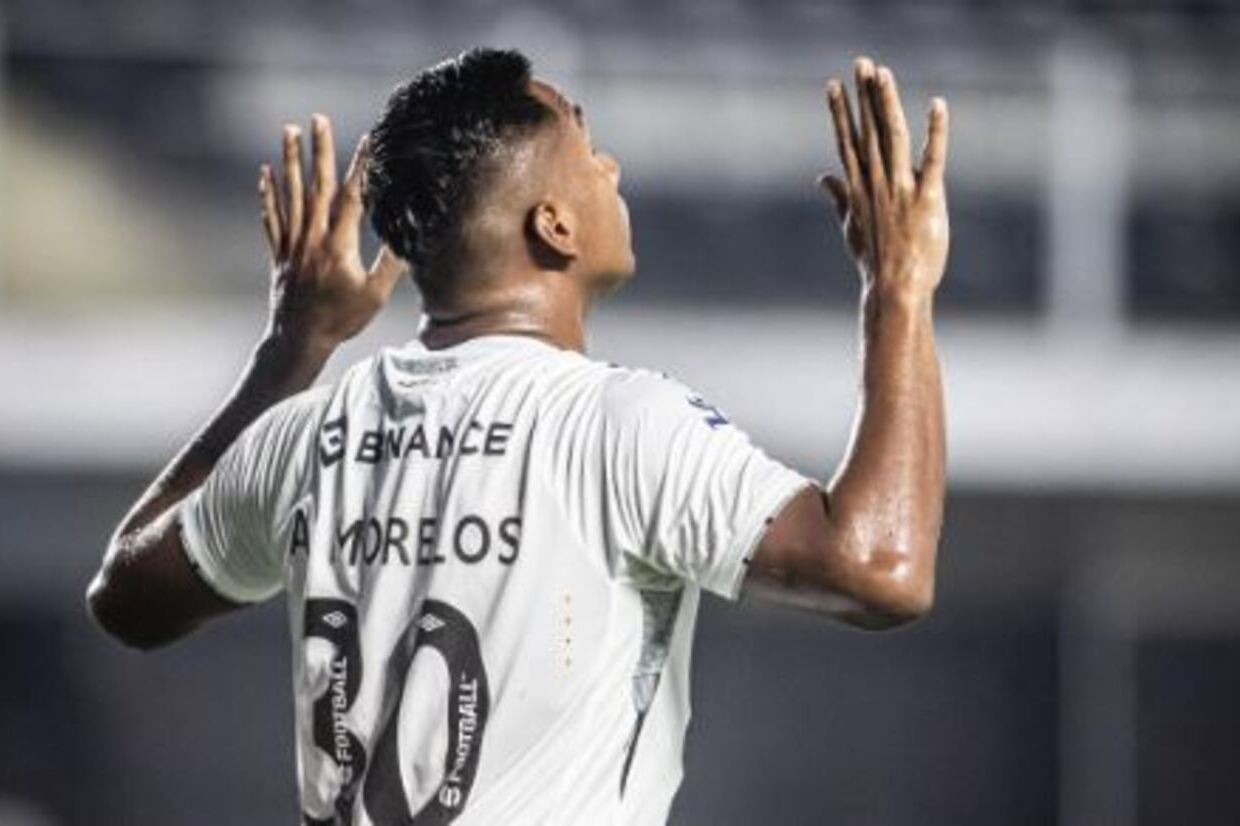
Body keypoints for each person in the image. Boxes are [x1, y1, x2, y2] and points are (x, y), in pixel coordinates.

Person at [86, 47, 948, 826]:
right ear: (553, 225)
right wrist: (898, 289)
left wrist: (292, 347)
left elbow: (127, 596)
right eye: (589, 149)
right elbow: (881, 569)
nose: (611, 167)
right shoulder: (616, 426)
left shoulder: (305, 439)